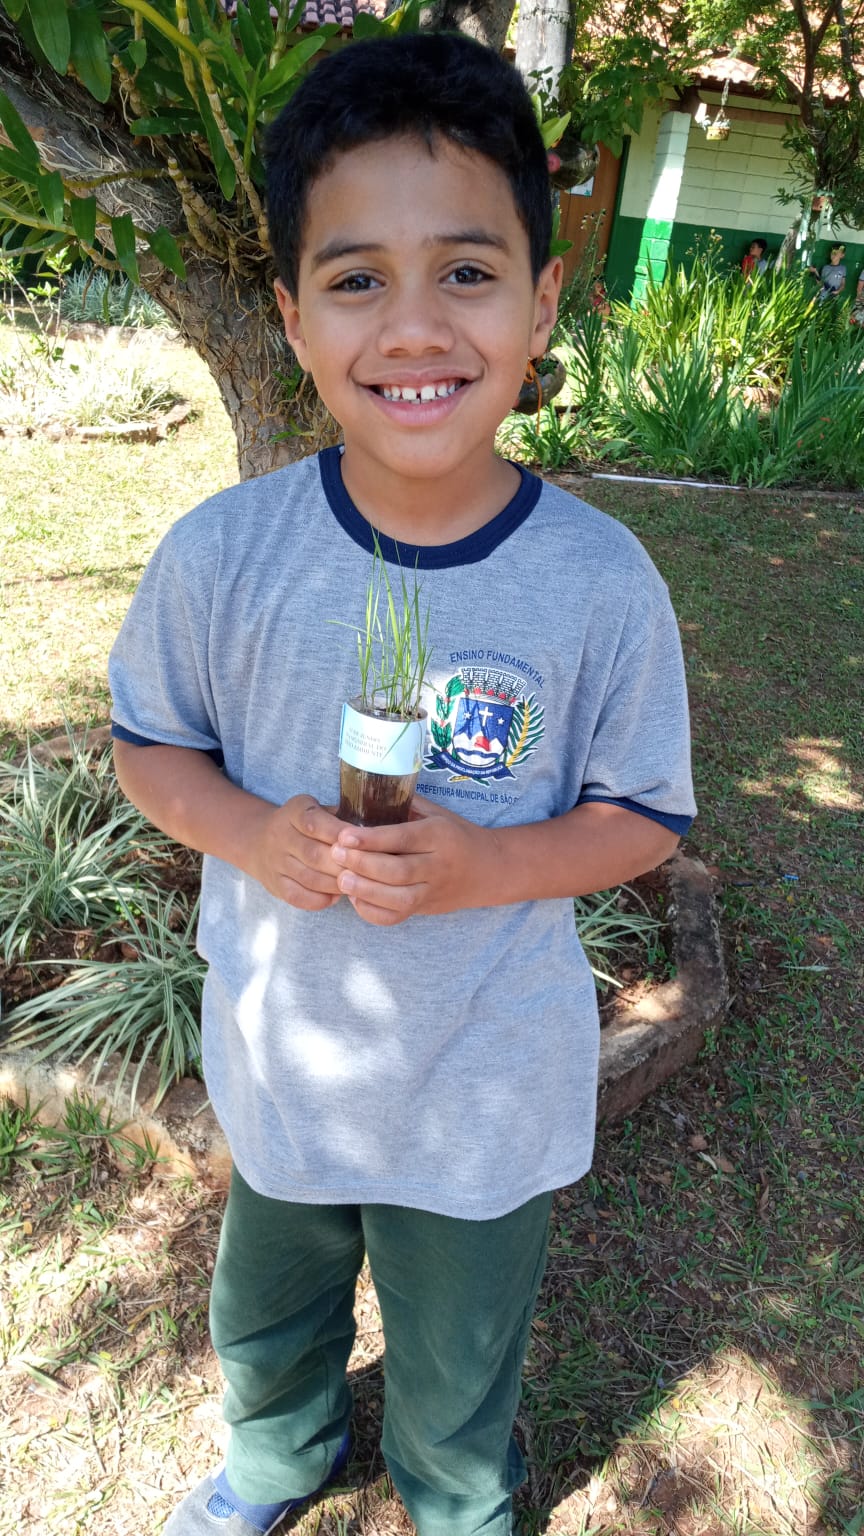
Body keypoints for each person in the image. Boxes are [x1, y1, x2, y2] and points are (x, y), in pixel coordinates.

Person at [109, 32, 696, 1536]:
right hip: (285, 1064)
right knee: (265, 1309)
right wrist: (251, 830)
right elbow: (149, 745)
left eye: (469, 272)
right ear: (293, 318)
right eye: (359, 278)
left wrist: (486, 866)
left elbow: (643, 813)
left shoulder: (601, 581)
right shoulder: (224, 555)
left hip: (482, 1090)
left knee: (459, 1351)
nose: (415, 326)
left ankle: (456, 1497)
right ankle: (275, 1458)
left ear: (543, 302)